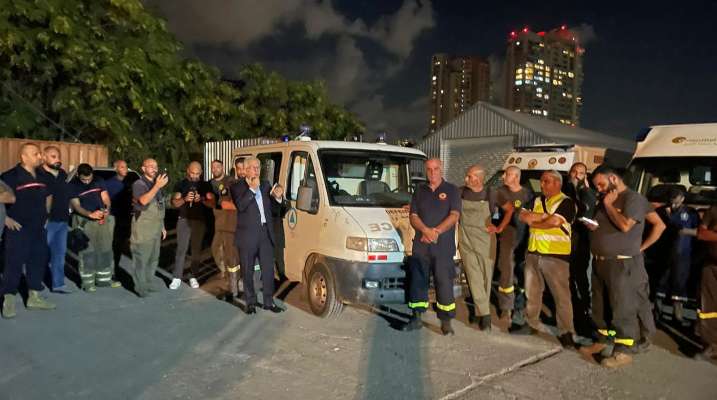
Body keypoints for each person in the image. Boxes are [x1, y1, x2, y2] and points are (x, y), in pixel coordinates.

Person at [581, 165, 665, 368]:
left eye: (601, 184)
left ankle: (624, 350)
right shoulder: (604, 200)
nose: (599, 189)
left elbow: (630, 225)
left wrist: (640, 247)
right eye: (596, 186)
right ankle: (603, 340)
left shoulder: (632, 199)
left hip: (622, 262)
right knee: (601, 305)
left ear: (613, 179)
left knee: (622, 307)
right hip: (601, 261)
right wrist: (593, 225)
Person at [514, 170, 577, 348]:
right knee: (532, 292)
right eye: (542, 181)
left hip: (555, 256)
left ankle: (566, 332)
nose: (542, 185)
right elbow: (522, 215)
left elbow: (555, 223)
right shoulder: (536, 200)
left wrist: (535, 221)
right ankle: (531, 323)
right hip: (534, 253)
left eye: (546, 181)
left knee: (561, 297)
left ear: (557, 183)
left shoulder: (566, 202)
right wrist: (543, 218)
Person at [404, 158, 461, 335]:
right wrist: (425, 231)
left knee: (444, 282)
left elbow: (454, 215)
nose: (432, 172)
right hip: (421, 245)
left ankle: (446, 322)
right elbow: (413, 216)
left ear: (441, 169)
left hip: (443, 246)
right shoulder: (419, 191)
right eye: (429, 169)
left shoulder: (452, 190)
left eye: (436, 168)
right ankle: (416, 318)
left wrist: (436, 232)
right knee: (418, 281)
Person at [1, 143, 55, 318]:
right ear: (23, 157)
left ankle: (34, 297)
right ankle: (8, 300)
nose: (40, 156)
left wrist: (46, 215)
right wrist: (5, 219)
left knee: (37, 261)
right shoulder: (10, 176)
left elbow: (48, 196)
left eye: (40, 154)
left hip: (38, 228)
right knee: (13, 264)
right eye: (35, 154)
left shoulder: (42, 175)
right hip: (18, 229)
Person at [230, 157, 284, 314]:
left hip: (265, 233)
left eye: (258, 167)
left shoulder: (266, 185)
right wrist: (252, 189)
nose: (256, 170)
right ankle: (250, 302)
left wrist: (278, 197)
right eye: (252, 167)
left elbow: (273, 210)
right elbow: (240, 206)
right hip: (247, 236)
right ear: (245, 170)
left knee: (268, 270)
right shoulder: (237, 187)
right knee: (247, 271)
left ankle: (268, 302)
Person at [457, 164, 497, 331]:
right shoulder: (460, 192)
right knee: (473, 277)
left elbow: (509, 209)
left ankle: (481, 311)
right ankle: (485, 315)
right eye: (467, 175)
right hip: (466, 238)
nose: (466, 179)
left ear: (480, 179)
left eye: (470, 176)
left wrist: (499, 226)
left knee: (486, 277)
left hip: (485, 240)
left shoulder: (490, 193)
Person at [653, 188, 699, 322]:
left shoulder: (690, 213)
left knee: (679, 283)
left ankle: (677, 315)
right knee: (661, 281)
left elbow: (697, 231)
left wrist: (687, 231)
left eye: (676, 203)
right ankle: (657, 311)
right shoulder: (661, 211)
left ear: (682, 199)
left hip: (683, 253)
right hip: (664, 252)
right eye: (671, 203)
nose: (673, 206)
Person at [495, 166, 533, 327]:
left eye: (508, 174)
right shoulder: (500, 192)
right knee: (506, 270)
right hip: (508, 235)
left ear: (516, 176)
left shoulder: (528, 194)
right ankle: (506, 309)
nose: (504, 177)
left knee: (523, 272)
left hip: (526, 236)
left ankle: (521, 304)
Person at [69, 163, 115, 291]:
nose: (87, 181)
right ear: (78, 175)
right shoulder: (73, 186)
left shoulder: (98, 180)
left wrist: (106, 210)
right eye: (84, 179)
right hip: (85, 221)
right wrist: (90, 214)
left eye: (89, 178)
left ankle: (104, 280)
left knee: (105, 249)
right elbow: (76, 206)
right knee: (88, 252)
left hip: (101, 219)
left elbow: (105, 198)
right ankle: (88, 283)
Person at [564, 162, 597, 337]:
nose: (577, 175)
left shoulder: (588, 193)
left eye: (581, 173)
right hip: (565, 242)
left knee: (584, 280)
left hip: (583, 242)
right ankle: (573, 313)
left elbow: (587, 211)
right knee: (567, 279)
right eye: (574, 172)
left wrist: (582, 190)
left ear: (586, 176)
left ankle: (587, 314)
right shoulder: (563, 190)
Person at [36, 146, 74, 293]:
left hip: (63, 220)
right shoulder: (39, 174)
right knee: (40, 253)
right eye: (53, 156)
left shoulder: (63, 174)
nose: (57, 159)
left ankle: (58, 284)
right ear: (44, 158)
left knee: (59, 253)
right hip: (47, 221)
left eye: (58, 156)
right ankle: (34, 284)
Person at [170, 161, 213, 290]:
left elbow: (212, 204)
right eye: (192, 173)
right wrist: (184, 199)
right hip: (184, 219)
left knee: (196, 251)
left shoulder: (205, 185)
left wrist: (202, 199)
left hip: (199, 221)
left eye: (197, 173)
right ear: (188, 170)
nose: (195, 176)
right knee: (181, 249)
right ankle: (177, 277)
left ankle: (193, 276)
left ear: (201, 172)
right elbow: (174, 203)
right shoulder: (181, 184)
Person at [130, 158, 168, 297]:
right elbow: (143, 201)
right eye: (150, 166)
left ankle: (148, 282)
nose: (154, 168)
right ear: (143, 168)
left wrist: (162, 226)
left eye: (155, 166)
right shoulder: (139, 184)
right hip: (143, 229)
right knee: (141, 258)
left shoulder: (155, 185)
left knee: (153, 258)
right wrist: (157, 186)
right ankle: (140, 287)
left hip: (156, 228)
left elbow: (159, 206)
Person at [209, 160, 239, 281]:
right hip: (217, 222)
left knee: (231, 252)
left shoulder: (230, 181)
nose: (215, 169)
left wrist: (221, 202)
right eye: (213, 167)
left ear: (222, 167)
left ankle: (234, 278)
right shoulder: (210, 184)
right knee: (215, 248)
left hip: (230, 222)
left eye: (218, 166)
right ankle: (225, 271)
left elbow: (236, 202)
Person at [105, 160, 133, 280]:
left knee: (120, 246)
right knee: (111, 245)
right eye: (122, 167)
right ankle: (110, 272)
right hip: (113, 218)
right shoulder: (109, 183)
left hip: (126, 218)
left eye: (126, 167)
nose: (125, 169)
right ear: (116, 169)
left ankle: (115, 269)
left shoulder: (130, 184)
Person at [696, 205, 717, 362]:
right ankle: (711, 345)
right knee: (708, 307)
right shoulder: (714, 210)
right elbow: (701, 233)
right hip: (711, 266)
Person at [270, 182, 290, 284]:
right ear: (273, 191)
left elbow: (284, 211)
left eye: (280, 190)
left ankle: (282, 275)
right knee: (271, 256)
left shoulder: (284, 202)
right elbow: (276, 211)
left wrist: (282, 201)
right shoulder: (271, 201)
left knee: (280, 256)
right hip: (270, 232)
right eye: (276, 190)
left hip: (279, 233)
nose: (278, 192)